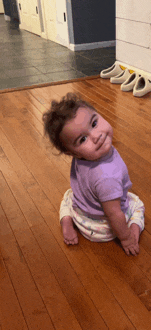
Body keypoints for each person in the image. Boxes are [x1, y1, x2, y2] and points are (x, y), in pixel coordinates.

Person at [43, 93, 145, 256]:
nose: (96, 136)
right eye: (83, 139)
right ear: (72, 153)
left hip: (80, 213)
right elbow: (114, 214)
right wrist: (125, 238)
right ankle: (132, 231)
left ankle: (67, 219)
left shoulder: (83, 156)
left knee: (68, 196)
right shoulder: (107, 177)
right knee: (137, 204)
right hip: (104, 229)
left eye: (94, 123)